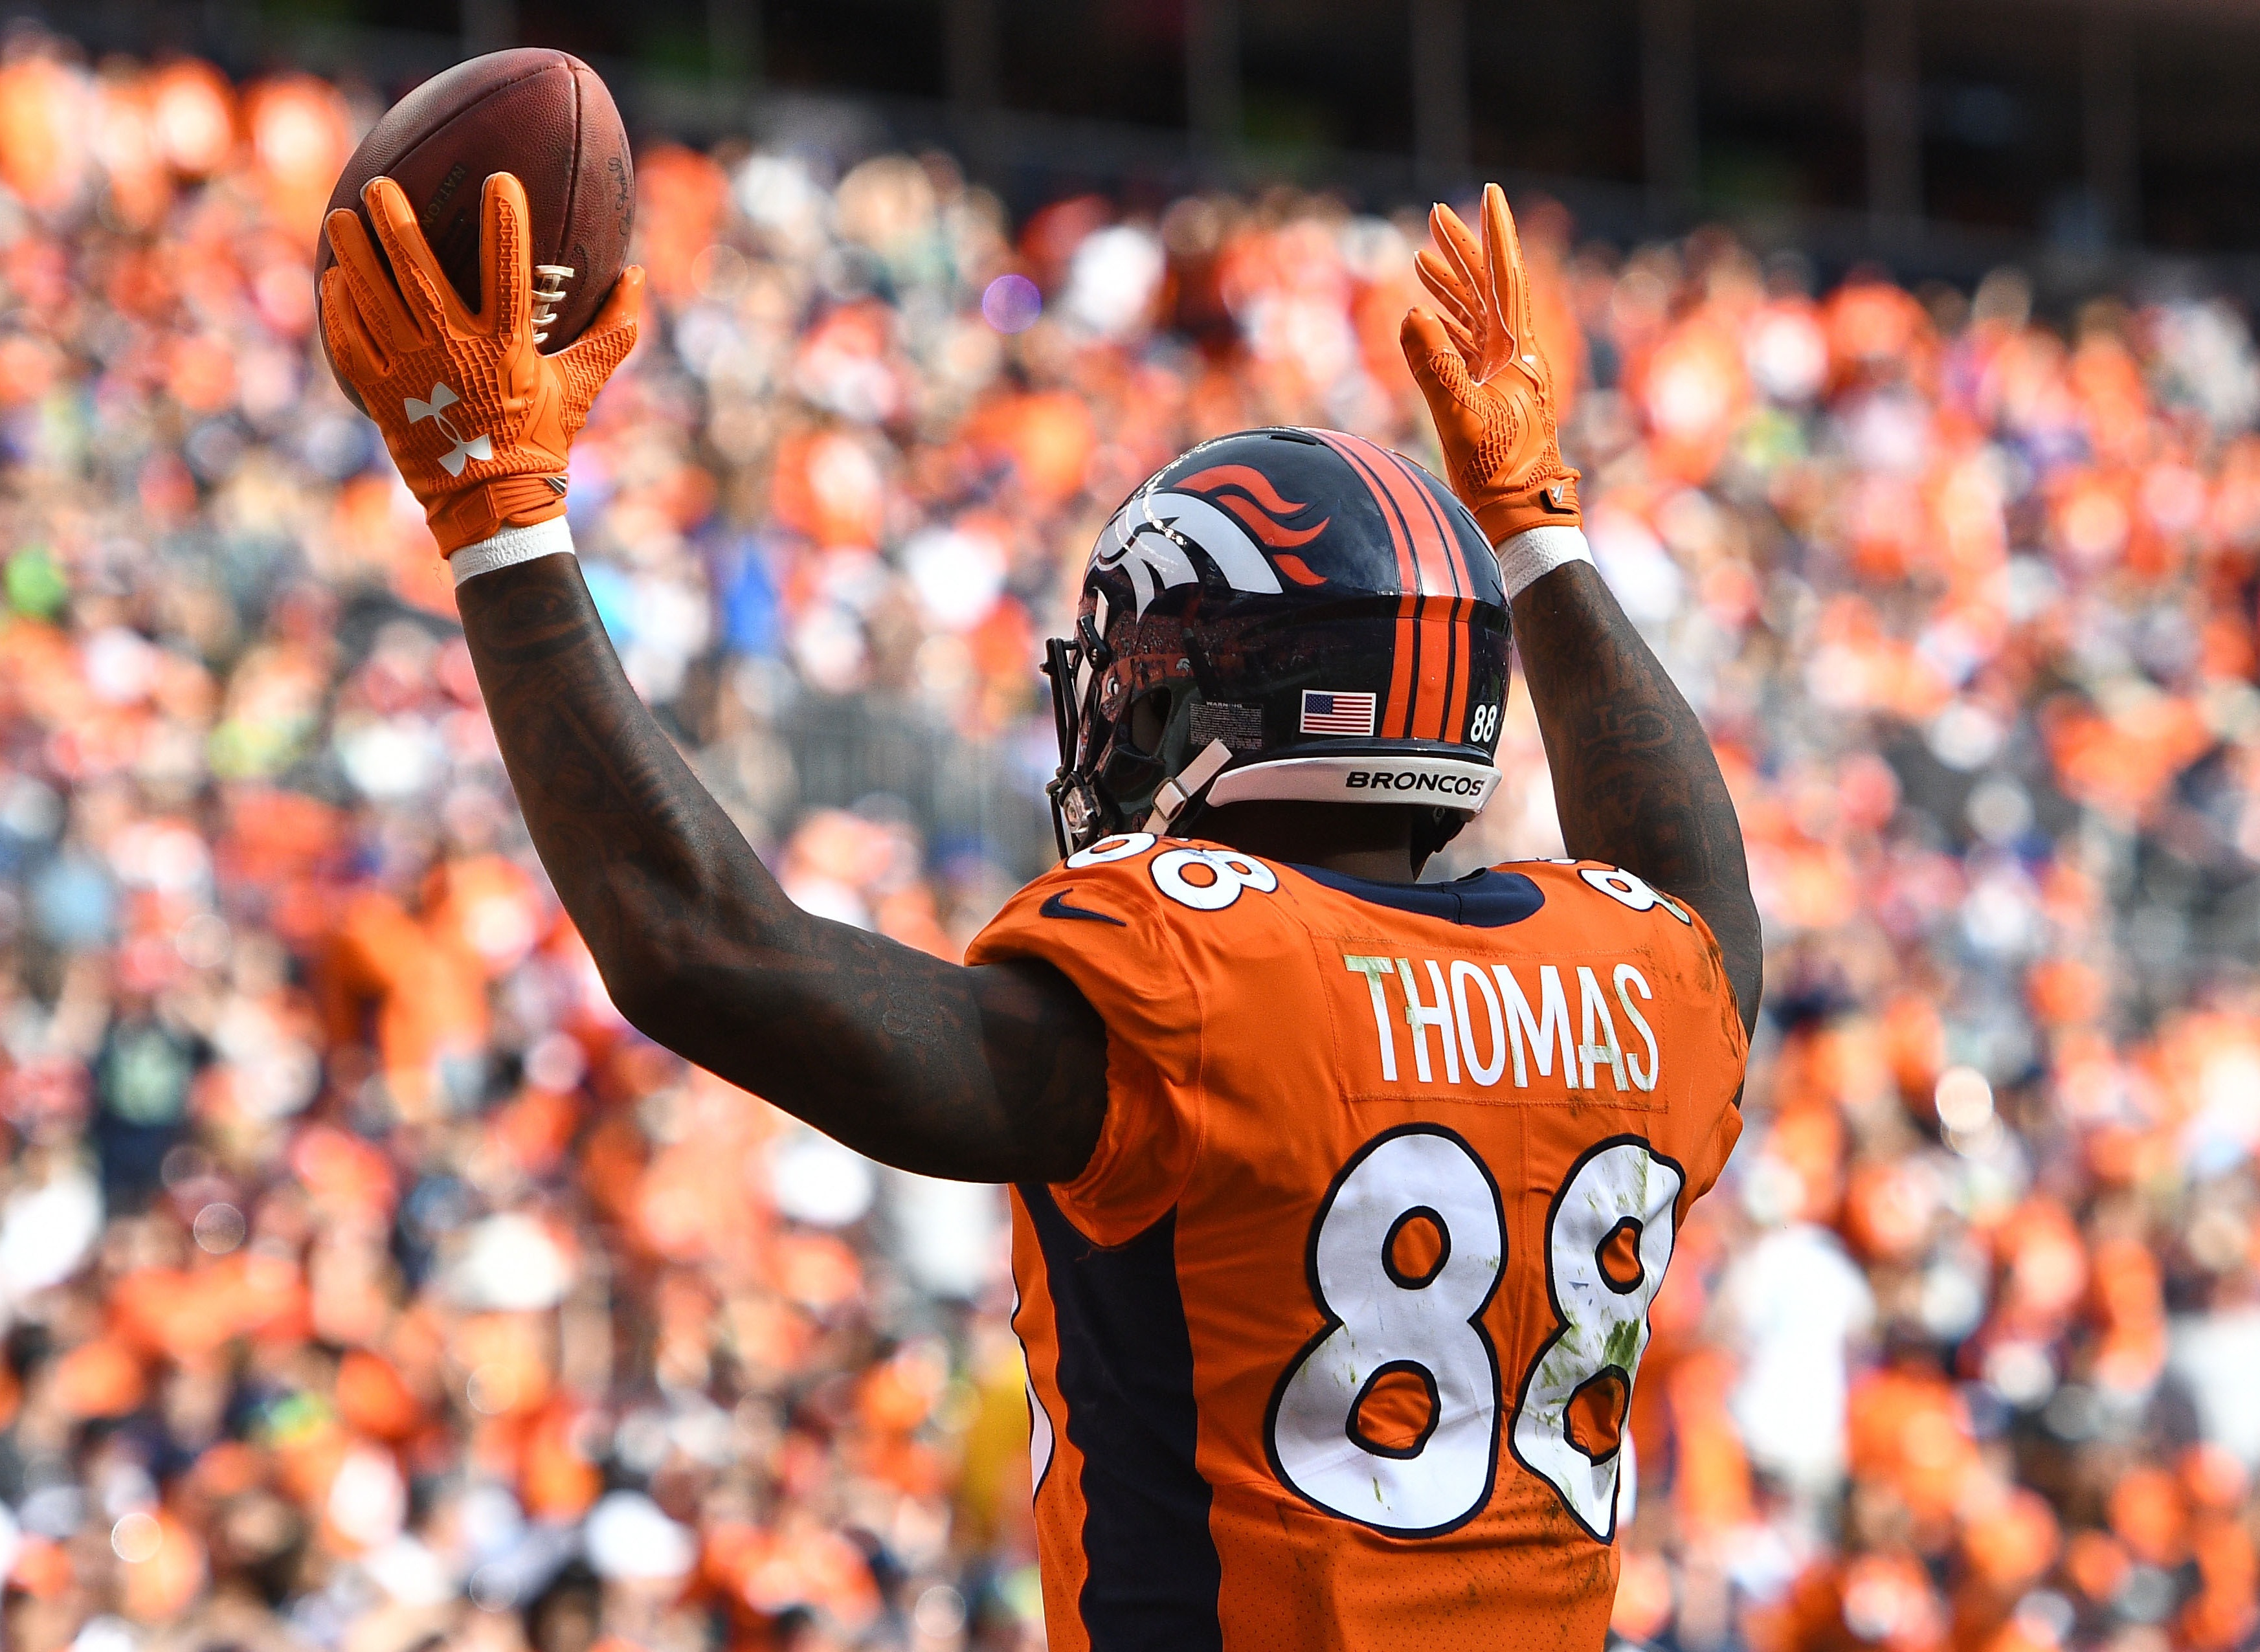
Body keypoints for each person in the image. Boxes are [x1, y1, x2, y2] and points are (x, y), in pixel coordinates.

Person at [319, 172, 1761, 1650]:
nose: (1109, 709)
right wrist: (1540, 532)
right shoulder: (1640, 978)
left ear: (1223, 697)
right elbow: (1700, 880)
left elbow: (702, 948)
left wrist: (497, 519)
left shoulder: (1202, 975)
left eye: (1134, 669)